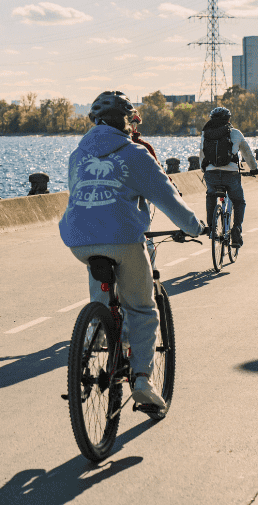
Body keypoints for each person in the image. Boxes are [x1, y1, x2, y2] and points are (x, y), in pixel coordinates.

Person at [59, 91, 202, 412]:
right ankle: (142, 380)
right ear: (128, 122)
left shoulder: (77, 156)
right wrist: (195, 227)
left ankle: (97, 332)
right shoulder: (135, 154)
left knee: (103, 294)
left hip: (78, 239)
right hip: (123, 238)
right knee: (141, 308)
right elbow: (168, 198)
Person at [198, 106, 258, 248]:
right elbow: (247, 154)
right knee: (239, 201)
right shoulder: (235, 133)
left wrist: (204, 169)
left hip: (211, 174)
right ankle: (237, 229)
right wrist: (253, 169)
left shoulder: (206, 133)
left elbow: (202, 154)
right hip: (231, 175)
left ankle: (212, 228)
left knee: (211, 195)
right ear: (228, 119)